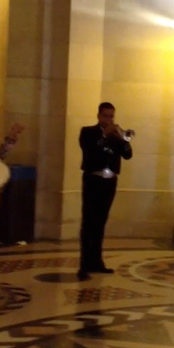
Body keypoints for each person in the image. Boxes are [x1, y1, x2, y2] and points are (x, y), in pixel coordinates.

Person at [78, 102, 133, 280]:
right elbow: (90, 151)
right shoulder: (87, 132)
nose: (109, 120)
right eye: (105, 116)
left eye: (111, 116)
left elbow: (127, 155)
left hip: (110, 182)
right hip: (93, 180)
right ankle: (84, 265)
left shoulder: (116, 137)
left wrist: (123, 139)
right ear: (99, 116)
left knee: (101, 222)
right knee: (89, 222)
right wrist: (103, 135)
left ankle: (97, 262)